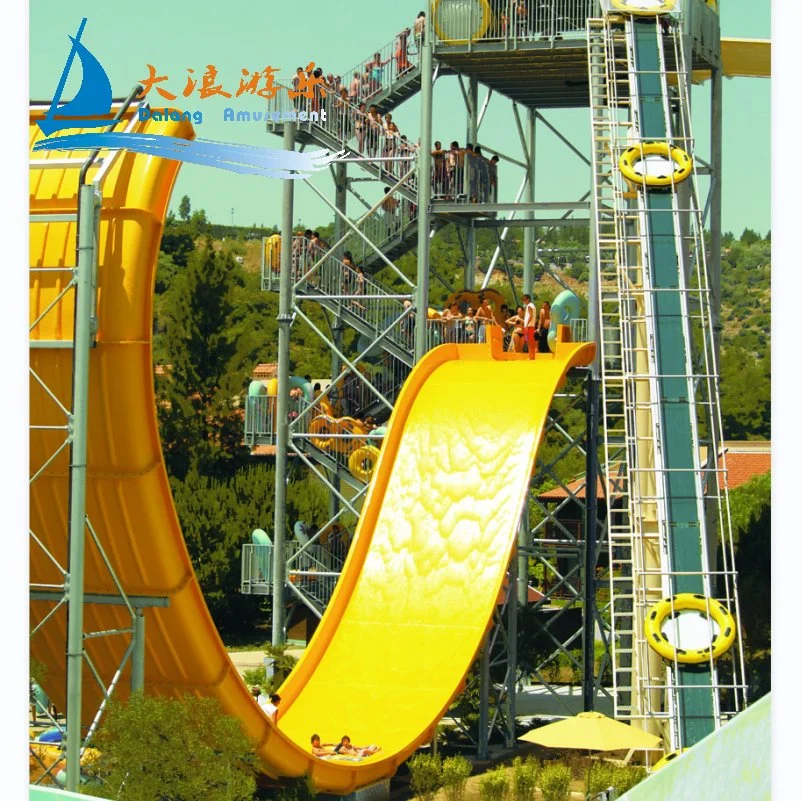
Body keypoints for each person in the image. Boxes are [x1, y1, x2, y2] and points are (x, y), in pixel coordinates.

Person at [523, 293, 538, 358]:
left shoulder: (529, 306)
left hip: (529, 326)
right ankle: (532, 356)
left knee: (529, 341)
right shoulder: (533, 306)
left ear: (528, 299)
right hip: (532, 325)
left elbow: (531, 316)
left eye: (524, 299)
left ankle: (530, 356)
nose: (523, 301)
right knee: (531, 341)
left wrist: (526, 324)